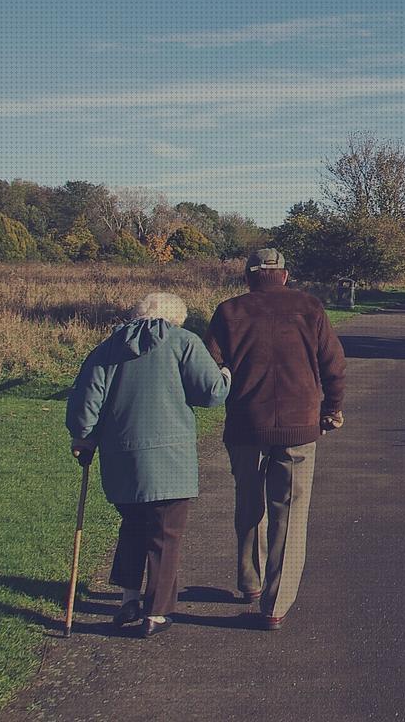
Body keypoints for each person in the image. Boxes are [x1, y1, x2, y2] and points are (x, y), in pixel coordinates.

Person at [66, 291, 229, 637]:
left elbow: (86, 404)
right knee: (166, 534)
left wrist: (83, 438)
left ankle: (128, 598)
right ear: (175, 318)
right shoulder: (184, 342)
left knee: (134, 526)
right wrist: (226, 374)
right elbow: (212, 392)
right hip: (170, 460)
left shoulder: (106, 348)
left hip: (120, 459)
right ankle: (156, 612)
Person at [205, 248, 346, 631]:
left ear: (249, 276)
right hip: (299, 425)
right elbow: (334, 364)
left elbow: (210, 368)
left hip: (245, 424)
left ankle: (250, 581)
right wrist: (332, 410)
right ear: (284, 275)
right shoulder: (310, 307)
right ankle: (275, 605)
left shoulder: (229, 311)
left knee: (248, 504)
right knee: (290, 513)